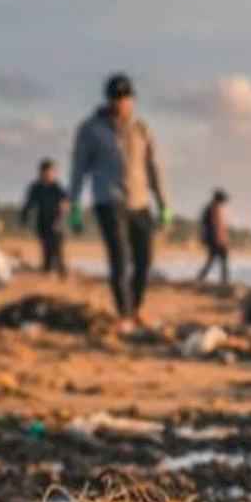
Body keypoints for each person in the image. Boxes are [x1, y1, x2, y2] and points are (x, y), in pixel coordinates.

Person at [68, 73, 173, 332]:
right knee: (119, 258)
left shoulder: (141, 129)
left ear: (132, 99)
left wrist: (163, 203)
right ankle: (124, 315)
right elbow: (79, 168)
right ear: (108, 99)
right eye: (116, 97)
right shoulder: (91, 129)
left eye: (125, 97)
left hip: (140, 202)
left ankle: (135, 309)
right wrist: (74, 204)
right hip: (109, 200)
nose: (121, 102)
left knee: (144, 261)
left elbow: (153, 167)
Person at [20, 158, 69, 278]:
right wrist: (24, 217)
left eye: (51, 172)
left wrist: (60, 219)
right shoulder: (36, 188)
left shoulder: (57, 187)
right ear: (41, 172)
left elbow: (65, 204)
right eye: (45, 172)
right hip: (42, 222)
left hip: (57, 221)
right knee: (46, 247)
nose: (48, 175)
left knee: (57, 248)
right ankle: (47, 270)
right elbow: (29, 203)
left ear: (53, 173)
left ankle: (61, 271)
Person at [196, 188, 230, 284]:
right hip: (215, 239)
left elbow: (218, 226)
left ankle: (201, 278)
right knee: (220, 259)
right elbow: (211, 225)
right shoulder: (212, 208)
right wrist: (220, 239)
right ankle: (224, 281)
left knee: (214, 260)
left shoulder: (214, 208)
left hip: (216, 239)